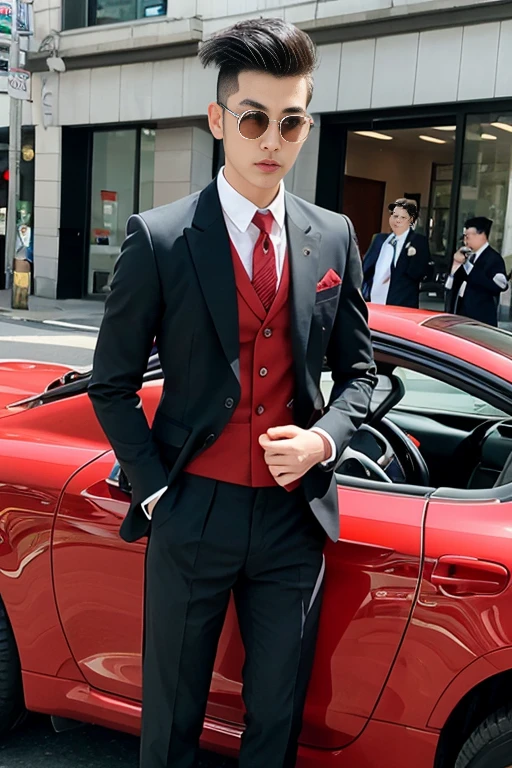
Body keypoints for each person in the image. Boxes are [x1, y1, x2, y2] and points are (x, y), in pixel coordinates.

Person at [88, 17, 376, 768]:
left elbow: (361, 374)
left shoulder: (334, 235)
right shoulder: (160, 238)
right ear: (219, 120)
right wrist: (156, 493)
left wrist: (323, 440)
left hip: (291, 518)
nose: (270, 139)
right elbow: (112, 384)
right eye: (253, 118)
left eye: (291, 121)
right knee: (174, 716)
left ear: (306, 126)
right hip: (192, 511)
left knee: (276, 718)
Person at [362, 198, 431, 308]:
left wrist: (411, 254)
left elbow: (419, 273)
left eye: (402, 217)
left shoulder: (418, 241)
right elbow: (365, 267)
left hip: (401, 304)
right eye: (395, 216)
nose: (397, 220)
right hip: (373, 301)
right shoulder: (379, 239)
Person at [445, 216, 509, 327]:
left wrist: (468, 265)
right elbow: (449, 285)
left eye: (468, 236)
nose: (466, 240)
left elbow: (499, 286)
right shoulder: (466, 256)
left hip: (481, 318)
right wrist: (455, 264)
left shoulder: (493, 258)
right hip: (459, 313)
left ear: (481, 235)